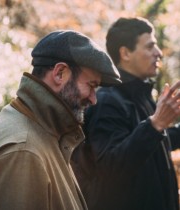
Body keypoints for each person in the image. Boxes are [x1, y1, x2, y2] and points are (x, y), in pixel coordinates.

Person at [0, 30, 121, 210]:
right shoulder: (23, 151)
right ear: (60, 73)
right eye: (91, 85)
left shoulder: (41, 129)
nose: (94, 99)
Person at [71, 17, 180, 210]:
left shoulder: (142, 96)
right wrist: (155, 125)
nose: (159, 53)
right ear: (125, 53)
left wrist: (165, 128)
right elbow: (109, 167)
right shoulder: (106, 101)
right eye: (150, 47)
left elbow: (150, 145)